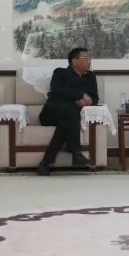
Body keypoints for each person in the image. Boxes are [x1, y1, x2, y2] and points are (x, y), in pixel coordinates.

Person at [36, 47, 99, 176]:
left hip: (69, 117)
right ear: (74, 61)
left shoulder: (91, 77)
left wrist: (87, 102)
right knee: (72, 110)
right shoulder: (60, 73)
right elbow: (57, 91)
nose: (89, 61)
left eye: (90, 59)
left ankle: (45, 163)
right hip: (51, 113)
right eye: (85, 59)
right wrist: (80, 95)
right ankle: (75, 151)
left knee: (66, 122)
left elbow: (95, 98)